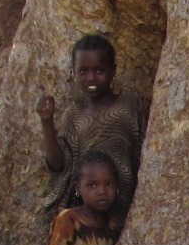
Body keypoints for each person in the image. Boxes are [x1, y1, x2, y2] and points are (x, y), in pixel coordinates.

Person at [37, 34, 146, 226]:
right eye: (83, 71)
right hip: (89, 205)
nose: (91, 77)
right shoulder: (73, 114)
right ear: (74, 73)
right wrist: (46, 122)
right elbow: (60, 165)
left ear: (113, 71)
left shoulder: (128, 104)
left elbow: (144, 148)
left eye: (99, 70)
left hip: (128, 198)